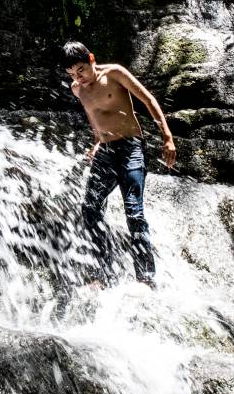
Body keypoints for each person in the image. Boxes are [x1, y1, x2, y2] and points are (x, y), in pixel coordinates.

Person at [62, 41, 176, 289]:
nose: (78, 78)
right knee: (90, 209)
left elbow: (148, 100)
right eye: (72, 74)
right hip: (105, 152)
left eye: (81, 70)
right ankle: (101, 274)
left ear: (91, 59)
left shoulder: (114, 73)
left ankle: (146, 278)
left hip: (131, 148)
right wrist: (96, 143)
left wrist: (167, 137)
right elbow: (95, 117)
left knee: (134, 211)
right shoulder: (77, 89)